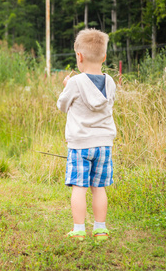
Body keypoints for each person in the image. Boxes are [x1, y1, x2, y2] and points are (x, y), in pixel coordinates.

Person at [57, 28, 117, 241]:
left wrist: (66, 87)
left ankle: (79, 229)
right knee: (99, 187)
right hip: (104, 145)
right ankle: (100, 229)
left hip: (80, 145)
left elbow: (62, 106)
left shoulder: (75, 82)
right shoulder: (110, 82)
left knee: (79, 188)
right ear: (104, 57)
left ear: (79, 57)